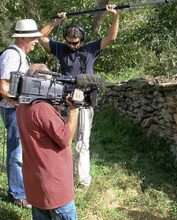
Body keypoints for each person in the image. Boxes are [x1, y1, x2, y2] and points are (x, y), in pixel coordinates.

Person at [39, 4, 120, 187]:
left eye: (75, 42)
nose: (72, 45)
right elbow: (40, 37)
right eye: (69, 41)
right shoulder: (61, 49)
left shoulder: (90, 49)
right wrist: (55, 21)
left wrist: (114, 16)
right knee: (61, 139)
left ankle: (82, 180)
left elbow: (111, 37)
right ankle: (62, 175)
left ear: (81, 40)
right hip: (62, 101)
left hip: (83, 101)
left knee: (82, 141)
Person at [0, 18, 43, 208]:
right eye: (34, 38)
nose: (36, 41)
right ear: (25, 38)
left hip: (19, 109)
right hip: (13, 110)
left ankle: (23, 188)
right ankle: (17, 193)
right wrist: (19, 103)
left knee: (22, 150)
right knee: (16, 151)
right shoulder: (12, 55)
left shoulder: (21, 55)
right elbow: (2, 86)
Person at [16, 96, 79, 220]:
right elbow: (66, 138)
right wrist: (74, 110)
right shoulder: (42, 109)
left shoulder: (21, 106)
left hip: (35, 184)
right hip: (55, 187)